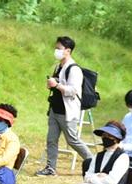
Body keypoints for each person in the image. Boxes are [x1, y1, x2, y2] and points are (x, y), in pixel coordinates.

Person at [36, 35, 93, 176]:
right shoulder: (58, 66)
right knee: (51, 140)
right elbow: (57, 85)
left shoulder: (74, 69)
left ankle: (93, 162)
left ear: (68, 50)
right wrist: (52, 84)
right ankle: (51, 168)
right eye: (56, 48)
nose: (56, 51)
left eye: (59, 49)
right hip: (55, 109)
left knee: (73, 140)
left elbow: (73, 90)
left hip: (67, 112)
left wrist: (57, 85)